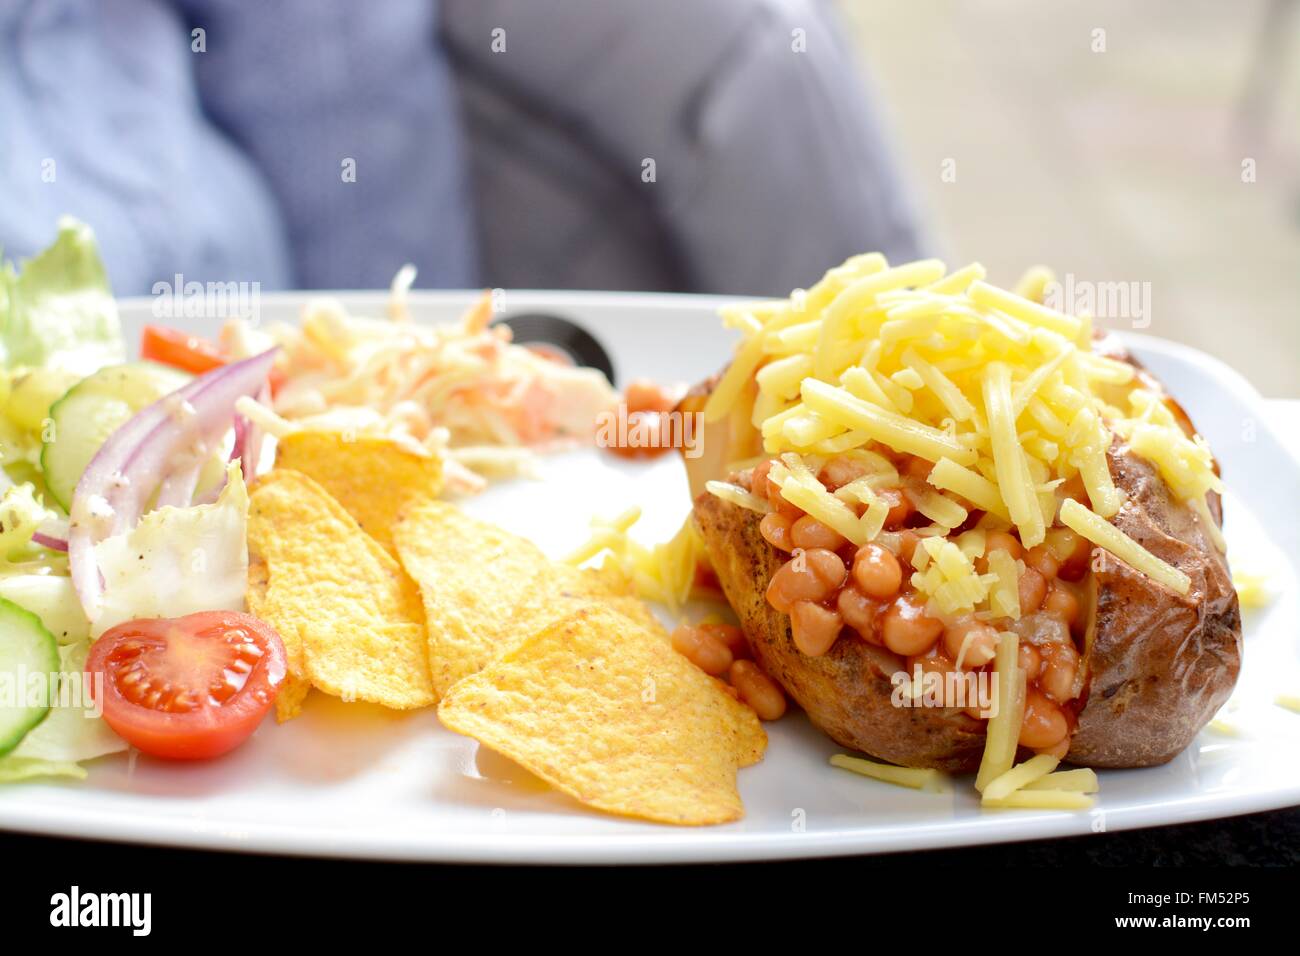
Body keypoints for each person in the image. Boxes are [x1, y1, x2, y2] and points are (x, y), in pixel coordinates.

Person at [1, 0, 927, 298]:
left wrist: (397, 350)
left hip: (258, 214)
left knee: (756, 45)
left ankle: (957, 461)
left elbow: (320, 51)